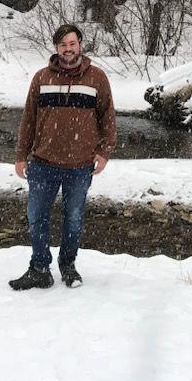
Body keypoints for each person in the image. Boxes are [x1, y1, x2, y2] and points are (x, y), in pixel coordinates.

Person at [9, 23, 115, 290]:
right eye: (62, 45)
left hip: (80, 166)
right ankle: (40, 268)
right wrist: (21, 155)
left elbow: (108, 118)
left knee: (74, 219)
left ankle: (68, 266)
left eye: (72, 44)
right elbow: (28, 120)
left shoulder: (97, 78)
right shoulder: (42, 78)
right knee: (37, 217)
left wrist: (104, 152)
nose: (68, 49)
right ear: (56, 48)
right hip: (43, 163)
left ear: (80, 44)